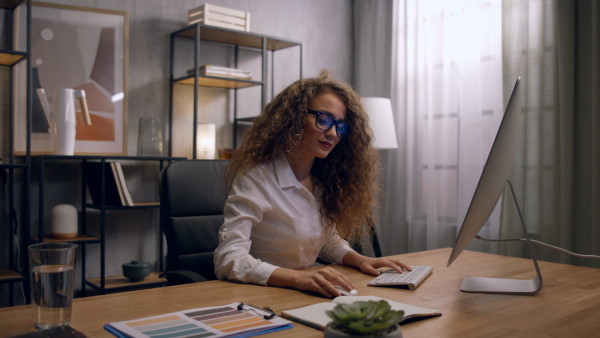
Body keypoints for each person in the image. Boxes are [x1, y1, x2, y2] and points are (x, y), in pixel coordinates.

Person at [213, 70, 411, 298]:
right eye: (324, 119)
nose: (334, 133)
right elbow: (228, 259)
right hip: (259, 295)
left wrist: (362, 260)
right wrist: (297, 278)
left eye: (341, 126)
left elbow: (324, 241)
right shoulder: (257, 177)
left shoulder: (325, 179)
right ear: (294, 118)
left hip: (306, 291)